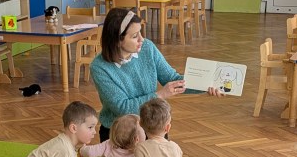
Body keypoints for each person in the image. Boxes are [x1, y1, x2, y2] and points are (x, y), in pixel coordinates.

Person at [89, 7, 220, 142]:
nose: (142, 39)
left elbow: (172, 79)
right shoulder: (99, 67)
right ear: (117, 41)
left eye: (140, 32)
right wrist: (160, 95)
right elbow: (123, 108)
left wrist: (206, 85)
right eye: (134, 36)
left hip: (152, 127)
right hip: (120, 134)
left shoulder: (147, 47)